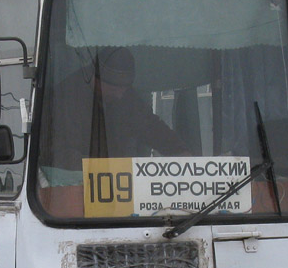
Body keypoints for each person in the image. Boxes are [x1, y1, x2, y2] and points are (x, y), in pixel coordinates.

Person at [39, 48, 189, 183]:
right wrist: (105, 172)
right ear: (97, 79)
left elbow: (150, 126)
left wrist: (181, 152)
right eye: (116, 88)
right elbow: (59, 154)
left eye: (125, 89)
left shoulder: (125, 98)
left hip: (115, 185)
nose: (121, 94)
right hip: (74, 188)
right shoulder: (64, 100)